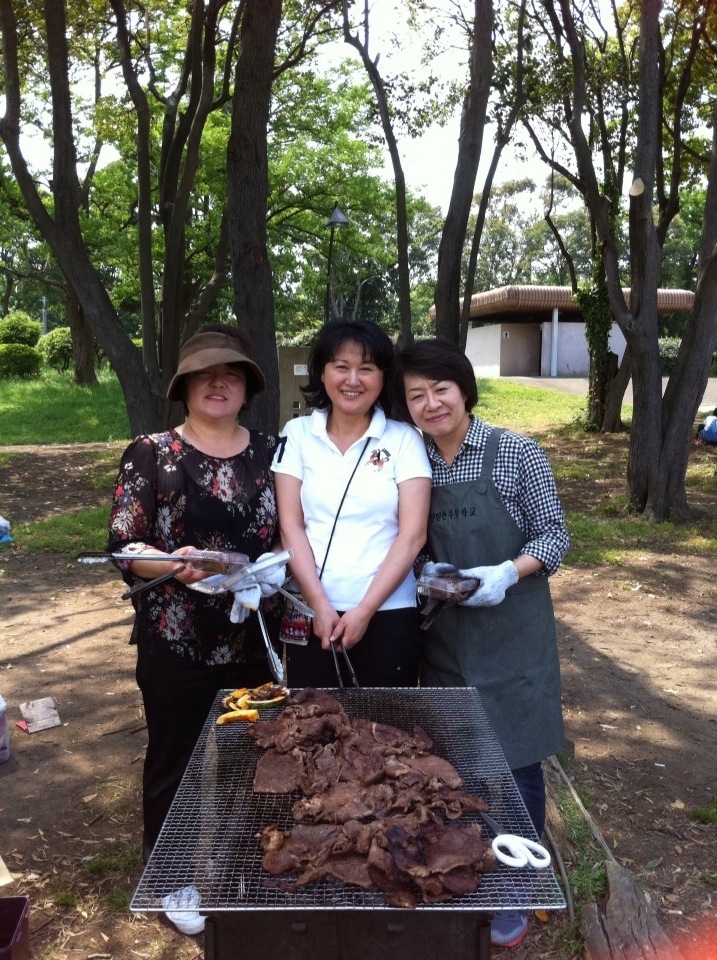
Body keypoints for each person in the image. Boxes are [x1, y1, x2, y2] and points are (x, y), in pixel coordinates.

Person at [391, 338, 569, 949]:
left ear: (464, 389)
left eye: (440, 388)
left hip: (513, 636)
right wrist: (428, 574)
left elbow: (554, 536)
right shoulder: (413, 461)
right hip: (445, 640)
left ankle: (517, 887)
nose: (431, 403)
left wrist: (504, 573)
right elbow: (404, 537)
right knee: (457, 767)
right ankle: (465, 871)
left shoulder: (515, 451)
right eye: (416, 395)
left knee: (517, 767)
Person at [107, 325, 284, 933]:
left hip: (253, 632)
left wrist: (269, 568)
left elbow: (296, 533)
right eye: (205, 375)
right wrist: (172, 565)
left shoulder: (274, 453)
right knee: (174, 761)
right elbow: (125, 544)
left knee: (252, 760)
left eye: (231, 374)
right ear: (184, 387)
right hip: (176, 638)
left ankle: (246, 866)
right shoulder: (152, 453)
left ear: (247, 389)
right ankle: (171, 878)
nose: (218, 383)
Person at [272, 319, 432, 687]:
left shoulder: (404, 439)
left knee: (387, 722)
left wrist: (364, 610)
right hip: (311, 613)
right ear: (322, 372)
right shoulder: (297, 434)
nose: (353, 380)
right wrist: (318, 605)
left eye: (367, 368)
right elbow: (291, 526)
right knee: (311, 718)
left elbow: (413, 535)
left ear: (384, 376)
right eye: (341, 366)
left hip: (389, 612)